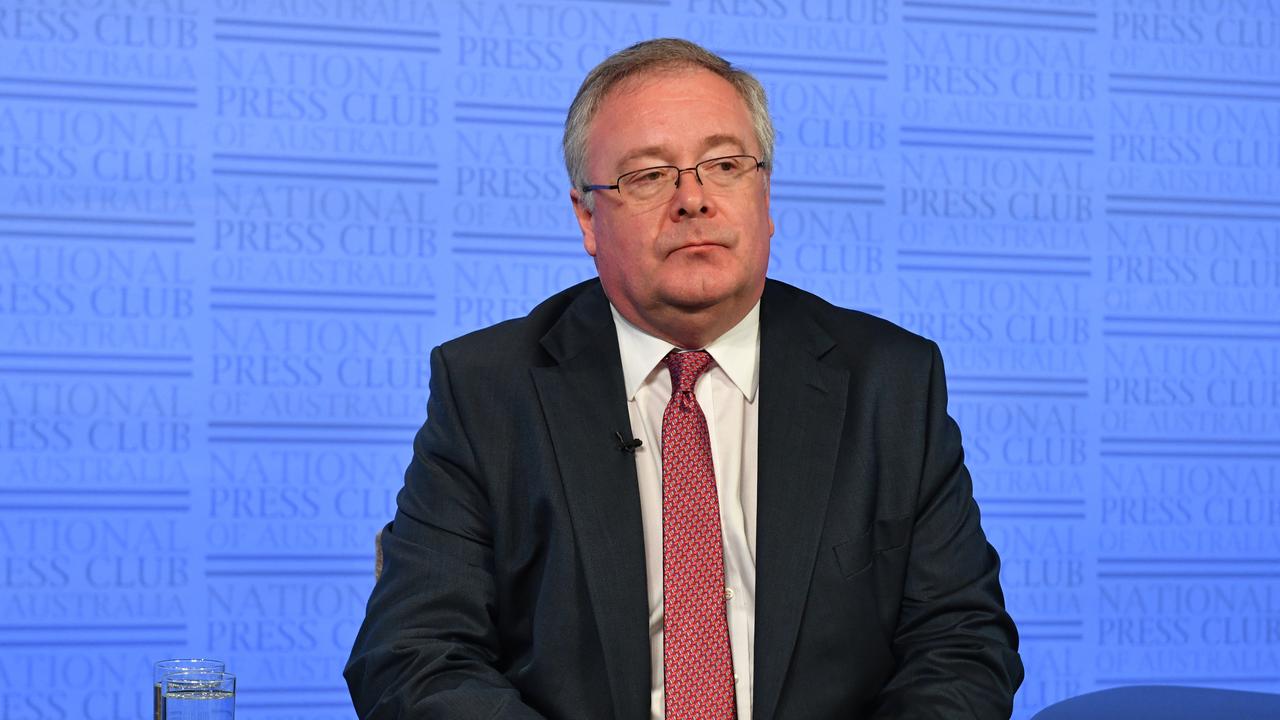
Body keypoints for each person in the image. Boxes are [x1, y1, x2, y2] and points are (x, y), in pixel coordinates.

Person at [345, 38, 1023, 719]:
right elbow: (415, 654)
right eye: (648, 176)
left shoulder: (889, 382)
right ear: (587, 215)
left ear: (765, 192)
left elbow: (961, 645)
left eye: (725, 165)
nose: (693, 199)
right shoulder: (488, 390)